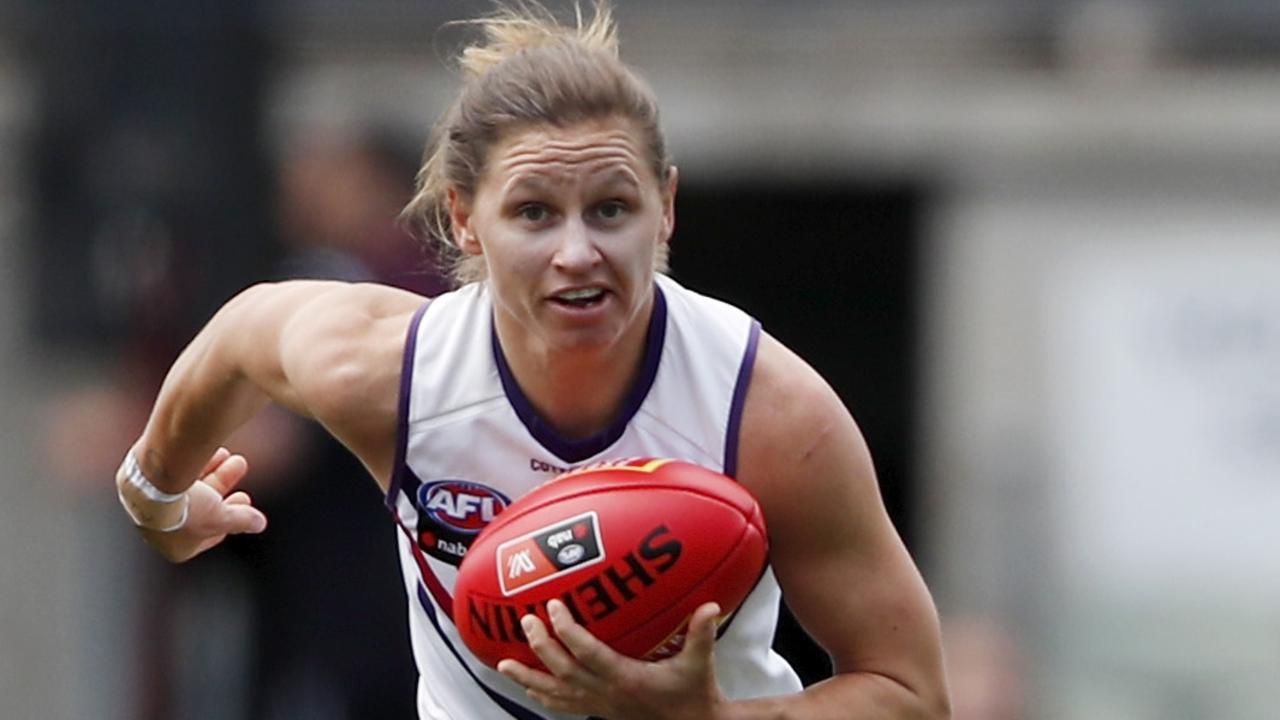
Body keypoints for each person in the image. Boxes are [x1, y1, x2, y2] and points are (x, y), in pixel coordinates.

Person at [114, 2, 951, 718]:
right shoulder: (389, 373)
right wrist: (157, 494)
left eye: (612, 208)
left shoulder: (764, 409)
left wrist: (715, 718)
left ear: (666, 208)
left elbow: (911, 692)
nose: (578, 251)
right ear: (464, 221)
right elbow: (239, 338)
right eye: (535, 213)